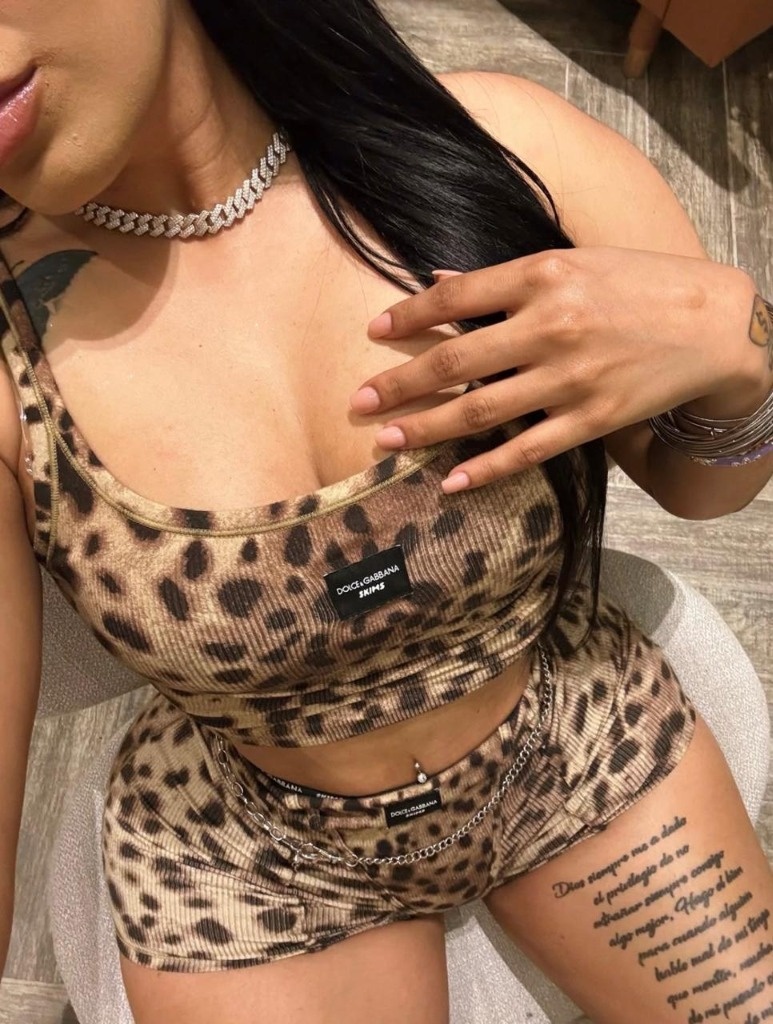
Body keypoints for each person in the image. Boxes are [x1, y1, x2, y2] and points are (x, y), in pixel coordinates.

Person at [0, 1, 771, 1021]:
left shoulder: (499, 153)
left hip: (571, 735)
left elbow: (699, 486)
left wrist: (736, 341)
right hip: (250, 853)